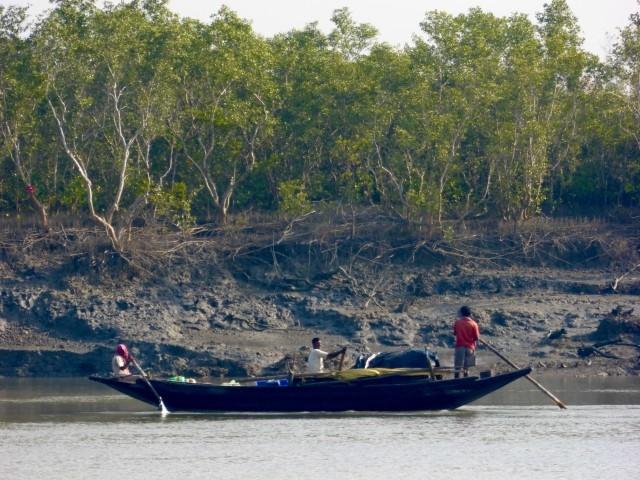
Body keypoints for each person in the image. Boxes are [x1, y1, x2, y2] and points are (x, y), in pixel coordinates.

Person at [453, 306, 480, 378]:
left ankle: (456, 380)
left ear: (462, 313)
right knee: (466, 368)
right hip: (470, 347)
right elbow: (476, 338)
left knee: (457, 367)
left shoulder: (458, 323)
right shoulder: (474, 324)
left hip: (460, 346)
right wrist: (474, 349)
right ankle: (466, 379)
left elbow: (455, 333)